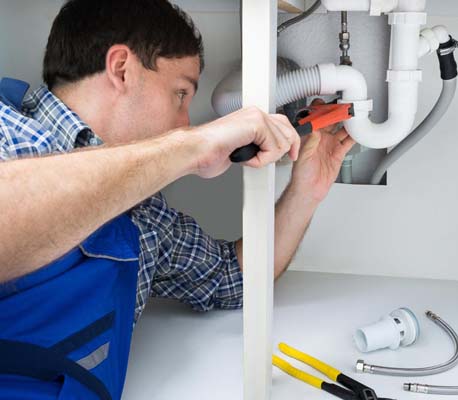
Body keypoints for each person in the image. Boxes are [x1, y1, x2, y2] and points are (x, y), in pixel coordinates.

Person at [0, 0, 356, 398]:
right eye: (180, 93)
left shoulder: (144, 216)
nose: (186, 122)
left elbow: (233, 278)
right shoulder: (7, 131)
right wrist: (190, 146)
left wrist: (305, 191)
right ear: (121, 69)